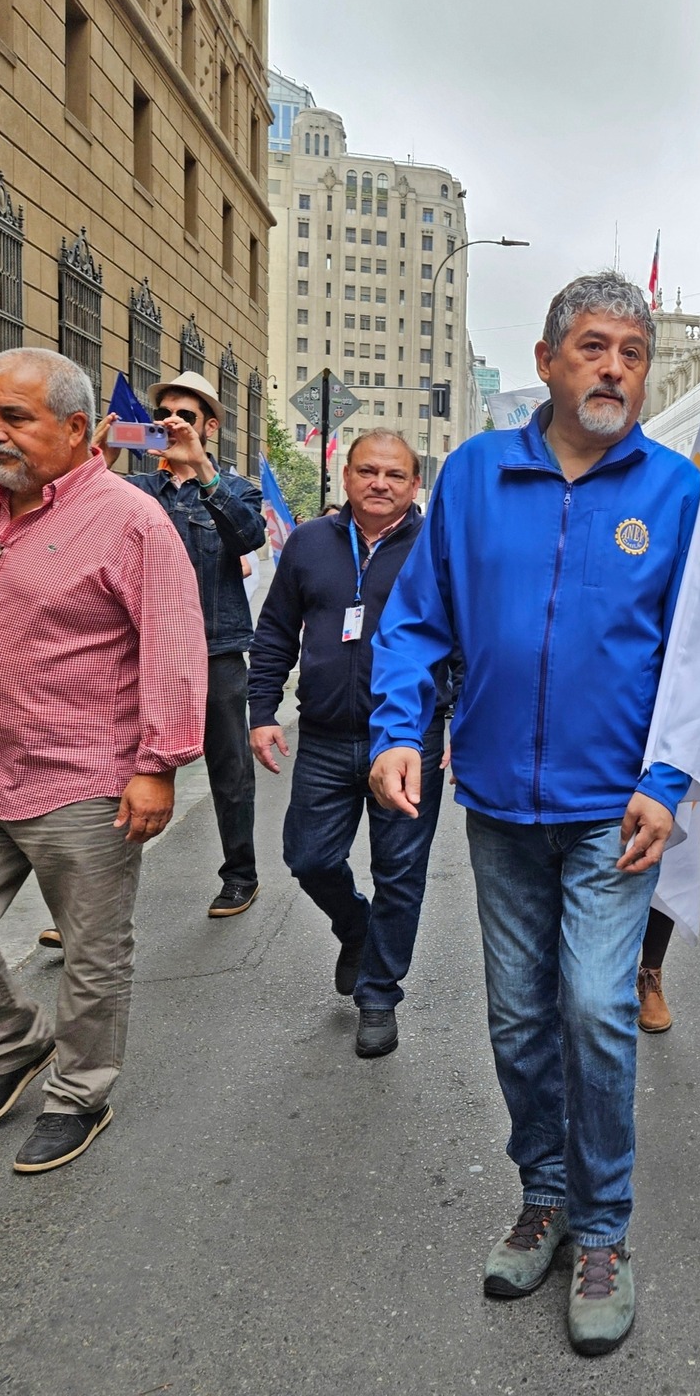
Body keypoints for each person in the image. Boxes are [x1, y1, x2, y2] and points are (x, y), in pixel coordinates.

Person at [368, 273, 700, 1357]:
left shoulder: (678, 492)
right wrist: (395, 732)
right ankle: (545, 1195)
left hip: (617, 813)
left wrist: (668, 779)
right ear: (551, 358)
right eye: (594, 347)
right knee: (518, 1016)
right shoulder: (472, 479)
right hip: (501, 807)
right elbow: (416, 624)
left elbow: (694, 660)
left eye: (633, 353)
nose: (614, 368)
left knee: (599, 1008)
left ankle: (603, 1230)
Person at [0, 348, 205, 1174]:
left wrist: (159, 764)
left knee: (92, 949)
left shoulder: (131, 520)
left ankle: (80, 1093)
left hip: (83, 778)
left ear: (76, 430)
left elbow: (176, 645)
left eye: (15, 418)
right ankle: (11, 1046)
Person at [249, 430, 449, 1059]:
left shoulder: (437, 549)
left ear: (415, 483)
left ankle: (379, 994)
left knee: (400, 872)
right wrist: (262, 709)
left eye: (395, 474)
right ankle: (354, 926)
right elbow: (277, 629)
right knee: (307, 856)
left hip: (410, 742)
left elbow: (468, 642)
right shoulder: (310, 543)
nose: (380, 483)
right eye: (368, 471)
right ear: (346, 476)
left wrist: (461, 721)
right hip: (328, 737)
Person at [126, 369, 267, 920]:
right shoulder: (135, 490)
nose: (174, 422)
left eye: (187, 415)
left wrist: (201, 470)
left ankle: (241, 876)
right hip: (143, 654)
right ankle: (93, 901)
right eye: (167, 413)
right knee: (119, 772)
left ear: (209, 426)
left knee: (230, 771)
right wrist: (89, 458)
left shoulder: (235, 489)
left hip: (217, 648)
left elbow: (249, 535)